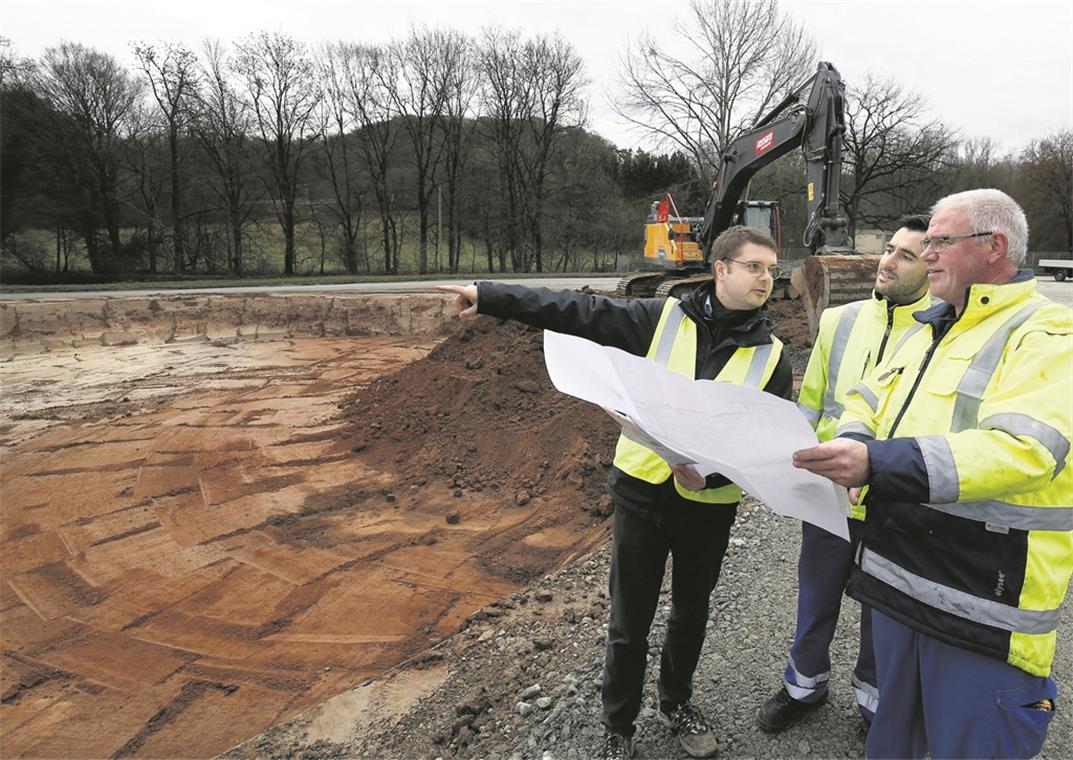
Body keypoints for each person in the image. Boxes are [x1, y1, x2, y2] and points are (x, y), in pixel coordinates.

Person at [438, 226, 793, 760]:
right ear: (721, 269)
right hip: (641, 497)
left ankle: (676, 703)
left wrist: (713, 477)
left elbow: (767, 446)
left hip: (708, 509)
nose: (766, 279)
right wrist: (490, 296)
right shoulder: (660, 319)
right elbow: (576, 313)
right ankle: (618, 727)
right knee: (630, 624)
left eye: (770, 269)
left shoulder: (773, 357)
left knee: (691, 614)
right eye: (754, 267)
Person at [794, 189, 1072, 759]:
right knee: (893, 744)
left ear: (994, 248)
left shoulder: (1045, 333)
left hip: (980, 605)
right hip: (903, 586)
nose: (929, 254)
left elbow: (1025, 450)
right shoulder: (931, 328)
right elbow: (865, 399)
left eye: (940, 242)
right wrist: (852, 440)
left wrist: (877, 463)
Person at [758, 215, 933, 732]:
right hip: (829, 495)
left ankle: (873, 706)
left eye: (907, 255)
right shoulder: (841, 321)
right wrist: (796, 471)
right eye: (889, 249)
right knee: (816, 594)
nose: (888, 260)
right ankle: (802, 687)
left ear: (932, 266)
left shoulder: (941, 330)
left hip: (893, 497)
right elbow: (809, 405)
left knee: (882, 609)